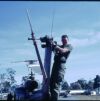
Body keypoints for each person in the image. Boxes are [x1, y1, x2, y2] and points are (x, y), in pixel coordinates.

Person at [50, 34, 73, 101]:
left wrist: (55, 46)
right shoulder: (60, 46)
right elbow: (54, 48)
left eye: (65, 40)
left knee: (56, 84)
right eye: (62, 40)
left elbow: (63, 50)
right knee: (51, 84)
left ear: (68, 40)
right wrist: (53, 44)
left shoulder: (69, 46)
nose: (64, 41)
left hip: (61, 66)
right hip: (55, 65)